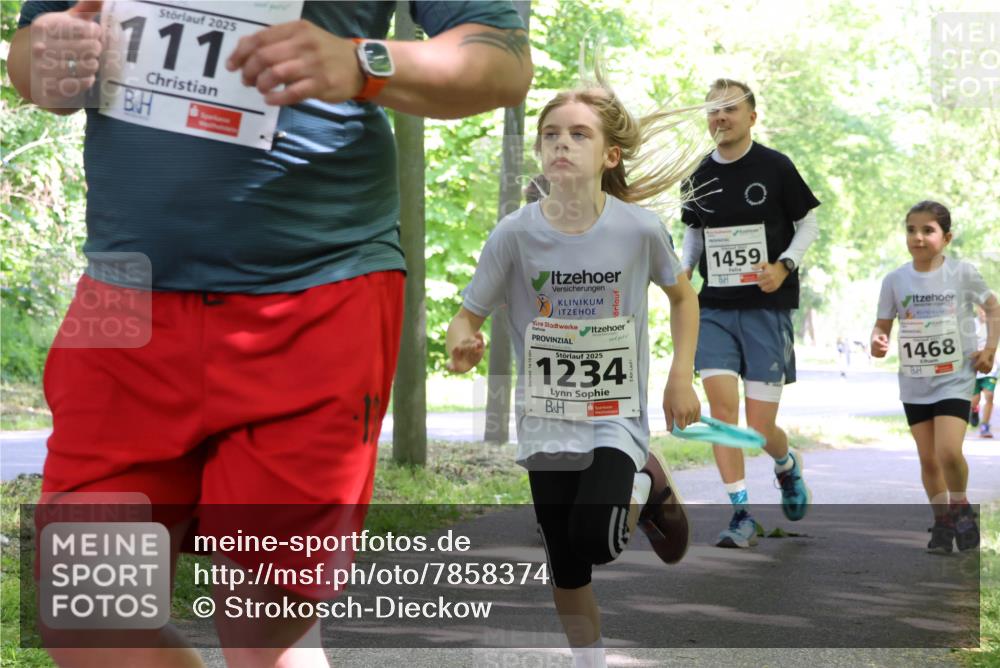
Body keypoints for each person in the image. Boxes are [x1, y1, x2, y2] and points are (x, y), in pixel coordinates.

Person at [9, 1, 531, 667]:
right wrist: (44, 59)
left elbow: (506, 60)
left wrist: (360, 62)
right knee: (89, 615)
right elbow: (36, 55)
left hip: (314, 295)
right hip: (125, 300)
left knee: (264, 632)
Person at [446, 82, 701, 668]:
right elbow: (467, 314)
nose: (562, 143)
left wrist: (679, 376)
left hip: (614, 415)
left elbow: (683, 298)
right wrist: (463, 338)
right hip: (546, 420)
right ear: (539, 151)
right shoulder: (514, 233)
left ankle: (647, 480)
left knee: (596, 539)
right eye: (551, 134)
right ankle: (590, 663)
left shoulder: (637, 228)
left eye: (579, 134)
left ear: (609, 155)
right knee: (566, 561)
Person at [679, 79, 820, 548]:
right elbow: (694, 235)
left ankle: (785, 464)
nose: (720, 118)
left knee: (758, 430)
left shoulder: (775, 167)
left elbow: (808, 224)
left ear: (751, 118)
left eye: (730, 110)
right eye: (713, 111)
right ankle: (740, 512)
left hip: (767, 307)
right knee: (723, 413)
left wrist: (784, 266)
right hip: (714, 308)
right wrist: (682, 274)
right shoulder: (697, 173)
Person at [871, 200, 998, 553]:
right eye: (912, 229)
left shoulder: (962, 273)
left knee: (948, 452)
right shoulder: (895, 280)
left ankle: (960, 505)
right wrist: (878, 340)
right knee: (928, 459)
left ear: (947, 237)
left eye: (928, 230)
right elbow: (883, 324)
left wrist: (989, 350)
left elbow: (993, 306)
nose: (918, 237)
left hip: (955, 377)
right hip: (914, 382)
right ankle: (942, 521)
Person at [971, 306, 998, 438]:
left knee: (989, 395)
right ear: (977, 309)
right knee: (974, 399)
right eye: (982, 309)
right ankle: (974, 409)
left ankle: (984, 426)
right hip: (974, 367)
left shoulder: (994, 324)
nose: (984, 312)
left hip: (990, 368)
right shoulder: (971, 324)